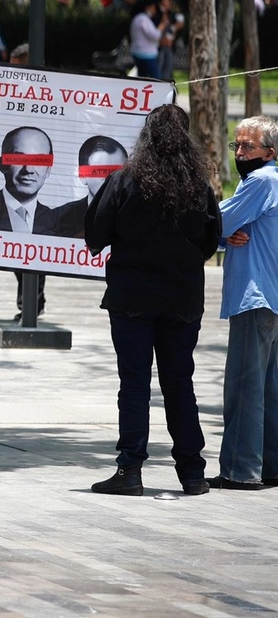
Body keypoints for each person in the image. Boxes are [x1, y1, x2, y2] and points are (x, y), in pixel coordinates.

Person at [84, 104, 220, 497]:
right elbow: (210, 243)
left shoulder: (124, 181)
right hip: (183, 298)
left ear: (145, 138)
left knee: (135, 385)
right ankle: (192, 473)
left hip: (132, 297)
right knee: (180, 384)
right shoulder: (199, 186)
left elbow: (95, 235)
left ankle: (130, 471)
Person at [209, 115, 278, 491]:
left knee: (244, 385)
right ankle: (269, 465)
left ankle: (240, 468)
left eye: (248, 146)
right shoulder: (269, 182)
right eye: (237, 145)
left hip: (255, 296)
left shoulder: (261, 181)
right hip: (271, 295)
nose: (240, 152)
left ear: (270, 152)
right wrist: (223, 235)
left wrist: (219, 233)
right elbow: (226, 227)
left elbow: (215, 220)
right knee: (269, 387)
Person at [0, 126, 57, 321]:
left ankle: (32, 305)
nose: (28, 169)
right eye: (18, 159)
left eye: (38, 160)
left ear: (49, 169)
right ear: (2, 164)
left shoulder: (57, 218)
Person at [54, 136, 128, 238]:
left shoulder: (136, 217)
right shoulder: (60, 219)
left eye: (118, 173)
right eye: (100, 172)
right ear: (83, 176)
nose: (110, 180)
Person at [129, 0, 169, 79]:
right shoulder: (143, 19)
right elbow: (154, 35)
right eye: (153, 7)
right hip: (146, 54)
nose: (155, 10)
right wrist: (163, 24)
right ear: (148, 7)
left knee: (142, 78)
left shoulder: (138, 18)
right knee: (156, 78)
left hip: (139, 52)